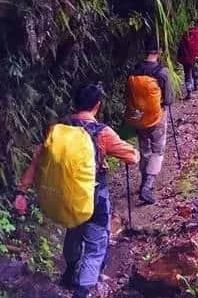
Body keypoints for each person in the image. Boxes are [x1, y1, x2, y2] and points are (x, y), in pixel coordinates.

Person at [14, 83, 139, 298]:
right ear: (97, 106)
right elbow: (132, 157)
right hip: (93, 197)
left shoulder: (57, 130)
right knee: (96, 246)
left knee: (73, 230)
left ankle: (70, 271)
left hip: (64, 195)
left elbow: (35, 163)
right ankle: (82, 292)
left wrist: (21, 193)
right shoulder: (102, 133)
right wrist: (133, 153)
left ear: (75, 103)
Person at [125, 36, 173, 204]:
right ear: (158, 52)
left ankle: (143, 180)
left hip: (139, 118)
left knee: (144, 150)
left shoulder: (135, 70)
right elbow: (168, 99)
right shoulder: (161, 72)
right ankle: (148, 184)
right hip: (156, 117)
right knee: (157, 151)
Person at [177, 19, 198, 100]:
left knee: (187, 73)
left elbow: (181, 46)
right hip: (196, 56)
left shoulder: (187, 33)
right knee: (195, 69)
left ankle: (189, 90)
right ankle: (196, 85)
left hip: (186, 57)